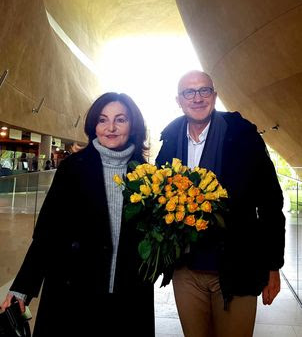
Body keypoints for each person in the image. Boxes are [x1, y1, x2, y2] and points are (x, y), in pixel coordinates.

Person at [1, 92, 155, 337]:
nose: (111, 127)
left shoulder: (147, 174)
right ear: (94, 126)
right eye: (103, 120)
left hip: (128, 293)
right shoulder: (73, 168)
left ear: (133, 125)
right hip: (75, 290)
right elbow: (47, 233)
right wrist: (23, 287)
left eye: (120, 119)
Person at [156, 70, 285, 337]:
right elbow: (158, 198)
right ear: (178, 100)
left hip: (237, 266)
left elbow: (271, 201)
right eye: (189, 92)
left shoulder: (243, 136)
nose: (197, 98)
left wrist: (273, 265)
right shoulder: (170, 139)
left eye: (204, 90)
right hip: (187, 271)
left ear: (214, 96)